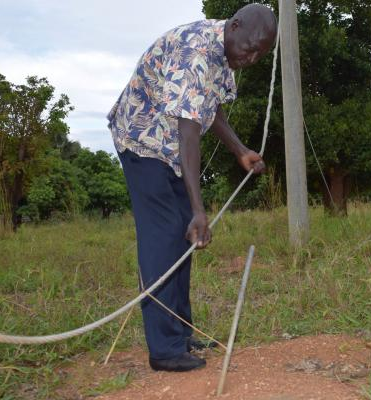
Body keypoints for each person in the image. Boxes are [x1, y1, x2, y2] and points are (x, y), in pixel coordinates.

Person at [107, 4, 278, 372]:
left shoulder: (223, 55)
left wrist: (241, 151)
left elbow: (209, 108)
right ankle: (165, 350)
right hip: (143, 142)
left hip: (168, 149)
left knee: (183, 235)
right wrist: (200, 210)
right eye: (248, 48)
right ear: (233, 26)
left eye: (260, 54)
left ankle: (179, 334)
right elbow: (189, 134)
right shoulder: (195, 52)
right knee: (166, 234)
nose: (250, 58)